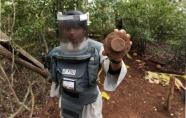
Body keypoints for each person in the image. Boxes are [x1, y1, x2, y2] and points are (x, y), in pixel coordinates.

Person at [46, 10, 131, 118]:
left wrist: (116, 58)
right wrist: (52, 97)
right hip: (66, 101)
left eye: (76, 27)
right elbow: (55, 79)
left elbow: (111, 68)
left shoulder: (98, 48)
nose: (72, 32)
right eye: (68, 28)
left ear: (83, 29)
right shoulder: (57, 52)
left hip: (89, 105)